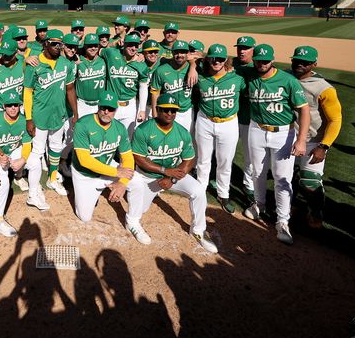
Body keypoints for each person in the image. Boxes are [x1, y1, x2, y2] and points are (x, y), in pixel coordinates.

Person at [127, 94, 218, 254]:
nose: (169, 113)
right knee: (139, 210)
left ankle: (198, 230)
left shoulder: (182, 132)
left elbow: (189, 160)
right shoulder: (143, 130)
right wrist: (164, 171)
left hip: (172, 176)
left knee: (197, 191)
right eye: (166, 110)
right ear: (158, 109)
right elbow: (139, 159)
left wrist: (171, 178)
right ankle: (132, 222)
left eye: (173, 110)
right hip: (147, 178)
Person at [244, 44, 310, 246]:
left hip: (283, 133)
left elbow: (304, 110)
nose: (262, 64)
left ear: (273, 60)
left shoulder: (288, 80)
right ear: (254, 60)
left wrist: (300, 140)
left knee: (282, 178)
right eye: (259, 60)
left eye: (266, 61)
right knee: (257, 172)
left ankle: (282, 221)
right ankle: (260, 205)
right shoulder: (250, 75)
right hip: (256, 129)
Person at [24, 29, 78, 207]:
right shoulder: (34, 64)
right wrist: (29, 118)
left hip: (60, 114)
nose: (58, 46)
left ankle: (52, 179)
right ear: (45, 43)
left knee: (56, 147)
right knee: (37, 152)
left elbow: (70, 89)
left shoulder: (66, 64)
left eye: (60, 43)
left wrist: (75, 113)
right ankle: (33, 191)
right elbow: (28, 92)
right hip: (39, 116)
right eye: (54, 43)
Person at [290, 46, 342, 228]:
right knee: (288, 176)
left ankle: (316, 210)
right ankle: (291, 204)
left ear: (314, 64)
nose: (300, 65)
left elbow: (335, 119)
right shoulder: (285, 77)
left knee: (310, 180)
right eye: (297, 61)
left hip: (313, 141)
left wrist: (324, 146)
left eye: (305, 63)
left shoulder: (324, 88)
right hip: (287, 137)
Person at [193, 44, 246, 213]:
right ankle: (200, 189)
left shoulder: (237, 78)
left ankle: (223, 194)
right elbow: (191, 60)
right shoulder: (201, 77)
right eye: (213, 58)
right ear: (208, 59)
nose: (216, 62)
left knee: (224, 161)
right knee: (203, 159)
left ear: (226, 61)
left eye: (220, 59)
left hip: (229, 123)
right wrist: (194, 66)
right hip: (205, 121)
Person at [71, 93, 135, 222]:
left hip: (106, 167)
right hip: (84, 174)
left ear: (116, 110)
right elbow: (85, 161)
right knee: (84, 217)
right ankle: (90, 194)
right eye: (103, 108)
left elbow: (128, 158)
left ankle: (133, 221)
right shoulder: (83, 124)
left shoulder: (119, 128)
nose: (106, 112)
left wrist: (122, 183)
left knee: (137, 181)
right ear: (98, 107)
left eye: (110, 109)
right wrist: (116, 172)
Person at [0, 91, 31, 236]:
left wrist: (22, 160)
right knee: (3, 181)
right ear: (4, 106)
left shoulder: (24, 120)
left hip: (13, 152)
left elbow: (26, 145)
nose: (13, 108)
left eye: (16, 105)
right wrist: (0, 158)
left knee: (33, 161)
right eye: (10, 105)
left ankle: (20, 178)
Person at [232, 35, 258, 213]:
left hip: (251, 120)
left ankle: (248, 186)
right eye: (240, 47)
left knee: (250, 157)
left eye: (246, 48)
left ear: (253, 50)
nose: (242, 50)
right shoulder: (231, 63)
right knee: (224, 152)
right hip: (232, 117)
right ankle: (219, 180)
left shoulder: (258, 66)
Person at [105, 34, 149, 136]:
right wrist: (115, 43)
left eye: (136, 45)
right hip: (111, 104)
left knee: (127, 139)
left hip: (130, 107)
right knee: (109, 138)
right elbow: (99, 50)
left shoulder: (141, 64)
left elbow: (143, 87)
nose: (133, 48)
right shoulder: (111, 54)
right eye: (130, 45)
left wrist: (142, 110)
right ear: (124, 44)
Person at [150, 40, 195, 133]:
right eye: (176, 52)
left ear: (188, 53)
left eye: (182, 52)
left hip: (188, 112)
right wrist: (155, 115)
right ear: (172, 53)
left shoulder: (194, 69)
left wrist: (193, 65)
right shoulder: (161, 70)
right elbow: (155, 93)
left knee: (188, 141)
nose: (179, 55)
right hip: (168, 112)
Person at [0, 40, 24, 115]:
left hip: (18, 107)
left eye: (9, 54)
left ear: (16, 52)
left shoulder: (23, 64)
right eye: (3, 54)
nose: (5, 57)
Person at [74, 33, 107, 118]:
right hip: (82, 105)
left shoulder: (104, 61)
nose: (93, 48)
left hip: (100, 105)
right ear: (84, 46)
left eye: (95, 46)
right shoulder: (78, 61)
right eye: (90, 46)